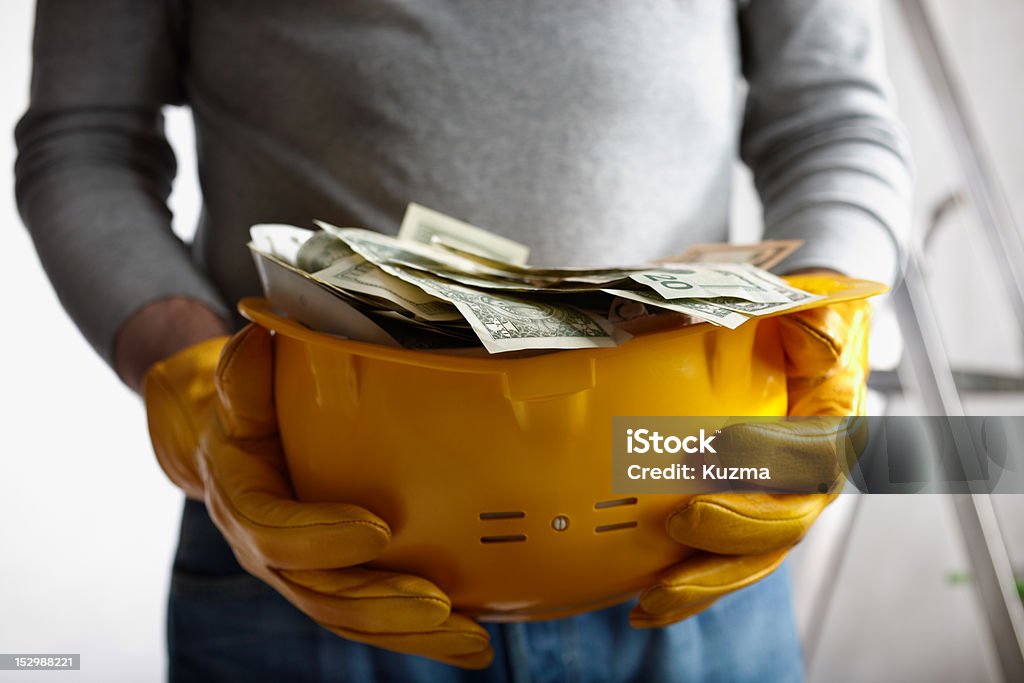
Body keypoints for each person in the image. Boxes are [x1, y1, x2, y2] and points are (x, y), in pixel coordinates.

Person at [15, 1, 911, 681]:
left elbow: (833, 120)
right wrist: (191, 375)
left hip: (699, 525)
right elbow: (84, 142)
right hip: (311, 542)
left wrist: (827, 318)